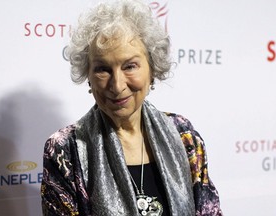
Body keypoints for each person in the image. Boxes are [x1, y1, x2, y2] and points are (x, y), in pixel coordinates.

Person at [41, 0, 222, 215]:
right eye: (102, 69)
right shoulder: (65, 150)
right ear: (88, 75)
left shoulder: (183, 135)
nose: (117, 85)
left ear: (152, 69)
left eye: (130, 66)